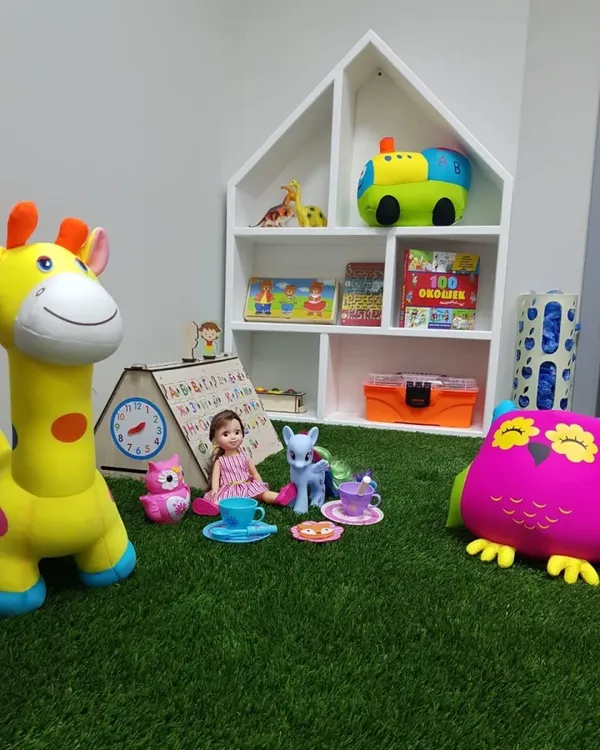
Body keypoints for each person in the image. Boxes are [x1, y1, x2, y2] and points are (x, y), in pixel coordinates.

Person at [191, 409, 295, 515]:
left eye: (237, 432)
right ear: (215, 440)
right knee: (221, 500)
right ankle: (213, 507)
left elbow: (254, 473)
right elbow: (216, 478)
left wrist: (260, 484)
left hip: (246, 486)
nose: (233, 437)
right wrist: (215, 490)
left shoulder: (245, 456)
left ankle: (280, 497)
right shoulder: (220, 461)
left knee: (263, 494)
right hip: (229, 489)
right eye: (226, 434)